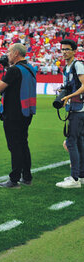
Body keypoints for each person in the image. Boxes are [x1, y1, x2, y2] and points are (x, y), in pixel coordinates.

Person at [0, 43, 36, 189]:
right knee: (23, 143)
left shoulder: (14, 70)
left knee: (14, 146)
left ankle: (14, 179)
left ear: (16, 53)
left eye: (9, 52)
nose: (7, 55)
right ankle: (27, 176)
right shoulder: (30, 68)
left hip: (13, 113)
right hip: (27, 112)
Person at [55, 38, 84, 188]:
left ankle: (74, 179)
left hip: (78, 108)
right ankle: (81, 175)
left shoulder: (77, 65)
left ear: (74, 51)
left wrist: (68, 97)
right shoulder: (67, 67)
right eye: (63, 49)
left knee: (71, 142)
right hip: (76, 108)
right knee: (79, 141)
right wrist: (63, 91)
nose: (64, 52)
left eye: (67, 49)